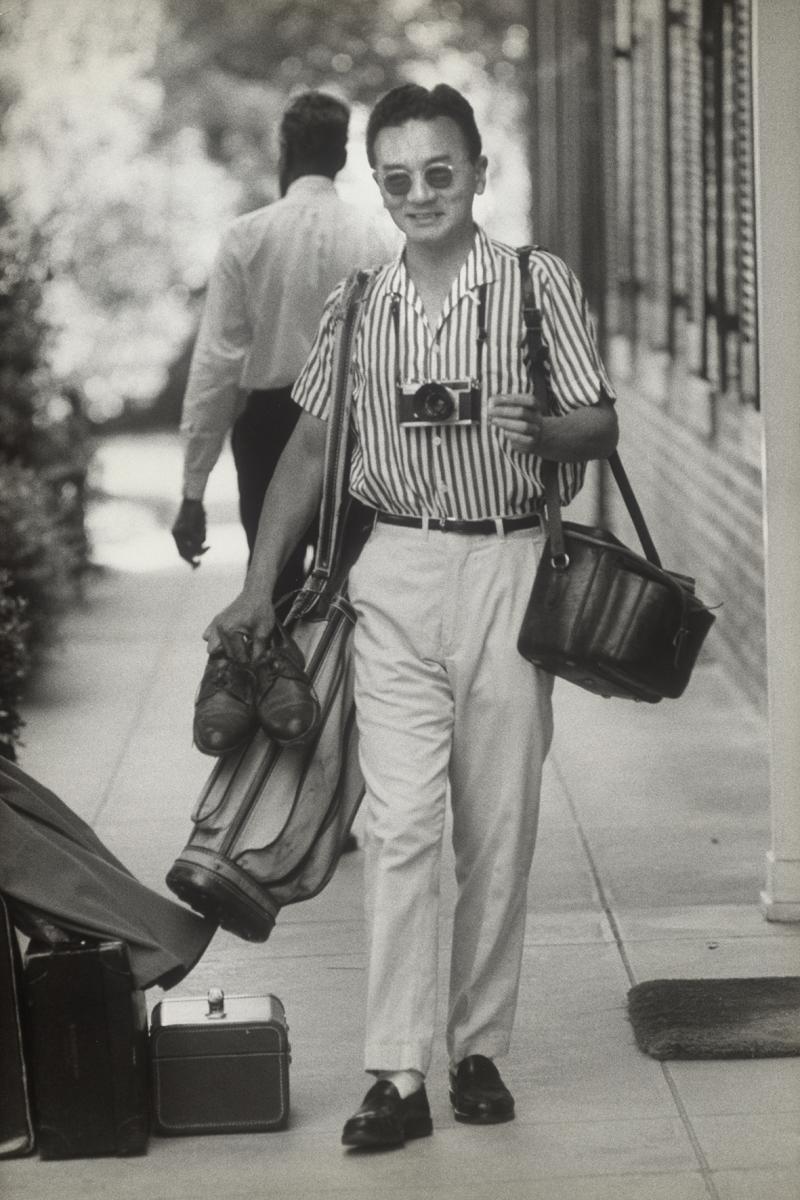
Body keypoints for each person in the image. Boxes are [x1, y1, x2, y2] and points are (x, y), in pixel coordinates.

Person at [204, 82, 618, 1149]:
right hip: (389, 569)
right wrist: (258, 582)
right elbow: (305, 451)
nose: (419, 192)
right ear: (375, 185)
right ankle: (395, 1071)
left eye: (439, 171)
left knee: (497, 825)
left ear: (476, 172)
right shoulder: (359, 303)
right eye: (397, 178)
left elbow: (598, 422)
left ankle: (476, 1047)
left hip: (507, 565)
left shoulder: (534, 287)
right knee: (395, 827)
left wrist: (549, 432)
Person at [171, 89, 396, 597]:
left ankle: (279, 673)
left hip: (269, 430)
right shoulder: (379, 238)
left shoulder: (246, 237)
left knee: (273, 588)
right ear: (342, 156)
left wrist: (193, 491)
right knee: (352, 592)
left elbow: (216, 367)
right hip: (354, 429)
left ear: (284, 150)